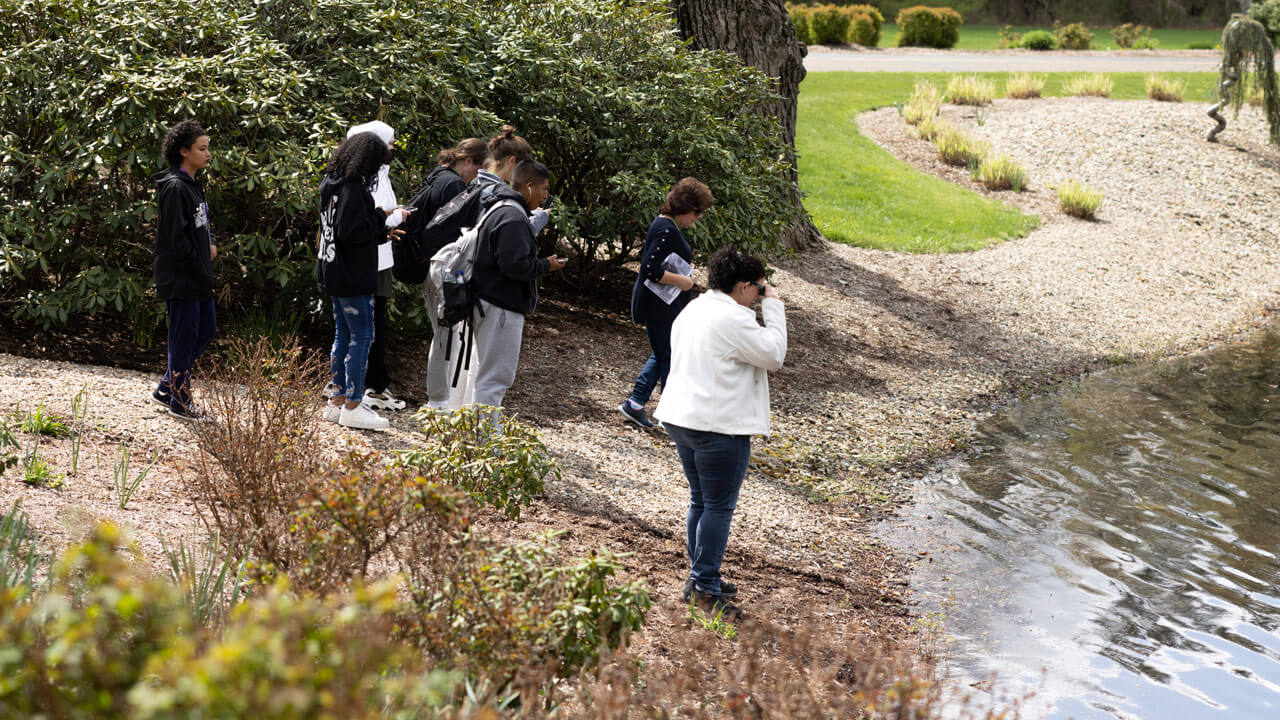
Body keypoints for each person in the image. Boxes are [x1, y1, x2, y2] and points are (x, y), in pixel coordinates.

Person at [653, 248, 787, 621]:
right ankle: (705, 588)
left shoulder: (693, 307)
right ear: (744, 286)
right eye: (759, 288)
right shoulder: (734, 319)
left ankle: (699, 578)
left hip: (681, 417)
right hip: (717, 425)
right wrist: (774, 308)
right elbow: (775, 354)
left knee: (701, 500)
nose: (760, 294)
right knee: (717, 506)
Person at [317, 131, 403, 431]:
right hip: (353, 275)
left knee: (343, 335)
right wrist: (381, 219)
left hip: (332, 271)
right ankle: (354, 403)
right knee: (363, 337)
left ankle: (338, 399)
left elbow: (343, 227)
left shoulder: (331, 183)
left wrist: (378, 226)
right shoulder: (354, 188)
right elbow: (352, 232)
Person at [469, 160, 566, 416]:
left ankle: (475, 434)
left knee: (485, 373)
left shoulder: (500, 207)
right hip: (500, 306)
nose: (546, 196)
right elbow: (514, 265)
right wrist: (545, 265)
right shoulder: (513, 217)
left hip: (488, 301)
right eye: (545, 189)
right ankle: (485, 441)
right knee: (495, 377)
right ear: (530, 187)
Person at [619, 177, 715, 429]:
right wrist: (683, 282)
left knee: (664, 352)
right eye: (698, 211)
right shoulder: (666, 229)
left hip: (663, 306)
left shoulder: (667, 226)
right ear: (685, 207)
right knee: (668, 356)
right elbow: (649, 268)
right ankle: (670, 415)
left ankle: (636, 403)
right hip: (658, 307)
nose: (699, 217)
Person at [152, 119, 217, 420]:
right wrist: (199, 264)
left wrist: (211, 245)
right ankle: (179, 398)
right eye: (201, 149)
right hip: (183, 278)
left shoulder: (193, 186)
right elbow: (176, 239)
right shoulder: (175, 187)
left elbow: (201, 225)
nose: (208, 153)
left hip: (199, 275)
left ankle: (168, 384)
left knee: (205, 330)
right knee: (184, 336)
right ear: (183, 151)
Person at [344, 121, 410, 412]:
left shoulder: (376, 175)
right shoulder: (363, 180)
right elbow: (374, 218)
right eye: (390, 144)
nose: (392, 150)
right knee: (368, 325)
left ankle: (355, 383)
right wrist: (396, 218)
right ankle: (370, 387)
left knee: (365, 323)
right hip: (372, 259)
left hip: (378, 257)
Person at [423, 138, 490, 409]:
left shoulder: (439, 178)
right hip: (443, 266)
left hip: (435, 264)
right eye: (479, 168)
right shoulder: (453, 185)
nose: (478, 176)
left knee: (443, 332)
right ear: (468, 161)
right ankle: (437, 401)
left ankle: (440, 399)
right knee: (444, 333)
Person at [473, 125, 549, 236]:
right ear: (512, 161)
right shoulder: (496, 194)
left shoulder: (478, 181)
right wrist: (539, 218)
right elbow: (510, 236)